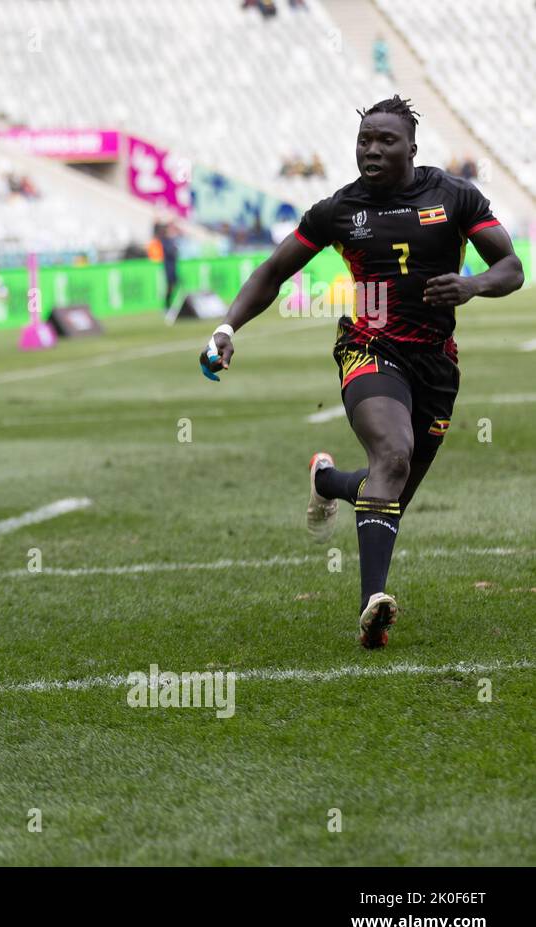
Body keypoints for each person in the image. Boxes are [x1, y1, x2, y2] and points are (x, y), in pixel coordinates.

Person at [201, 95, 523, 650]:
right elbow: (274, 270)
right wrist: (226, 329)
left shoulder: (454, 195)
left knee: (389, 490)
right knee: (392, 456)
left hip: (436, 360)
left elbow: (511, 267)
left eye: (385, 140)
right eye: (364, 140)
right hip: (368, 344)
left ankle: (327, 481)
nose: (371, 150)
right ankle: (373, 607)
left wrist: (470, 286)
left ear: (412, 148)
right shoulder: (337, 209)